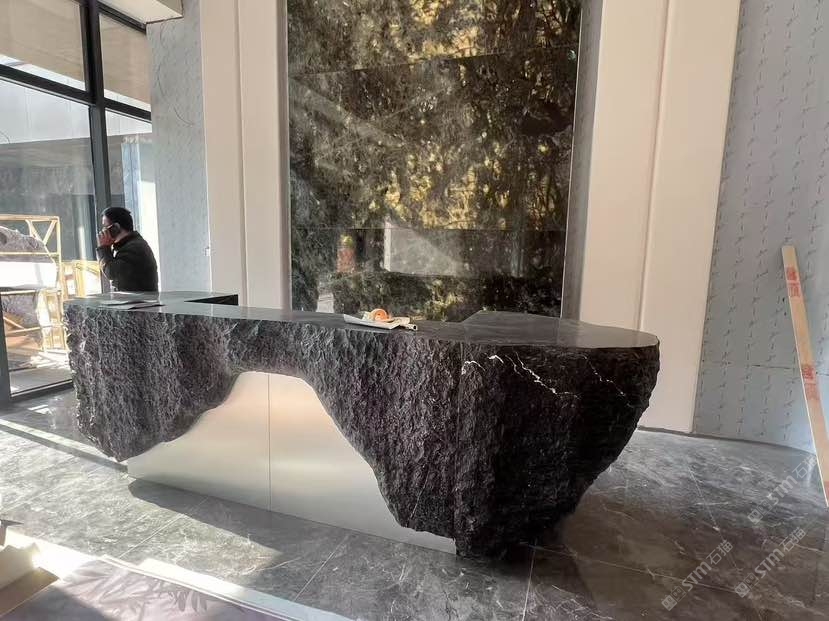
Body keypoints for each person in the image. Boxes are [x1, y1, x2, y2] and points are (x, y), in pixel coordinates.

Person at [96, 207, 159, 292]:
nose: (103, 231)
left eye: (105, 227)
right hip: (135, 299)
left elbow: (111, 272)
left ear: (115, 228)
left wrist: (104, 247)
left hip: (139, 300)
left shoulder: (134, 248)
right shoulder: (129, 245)